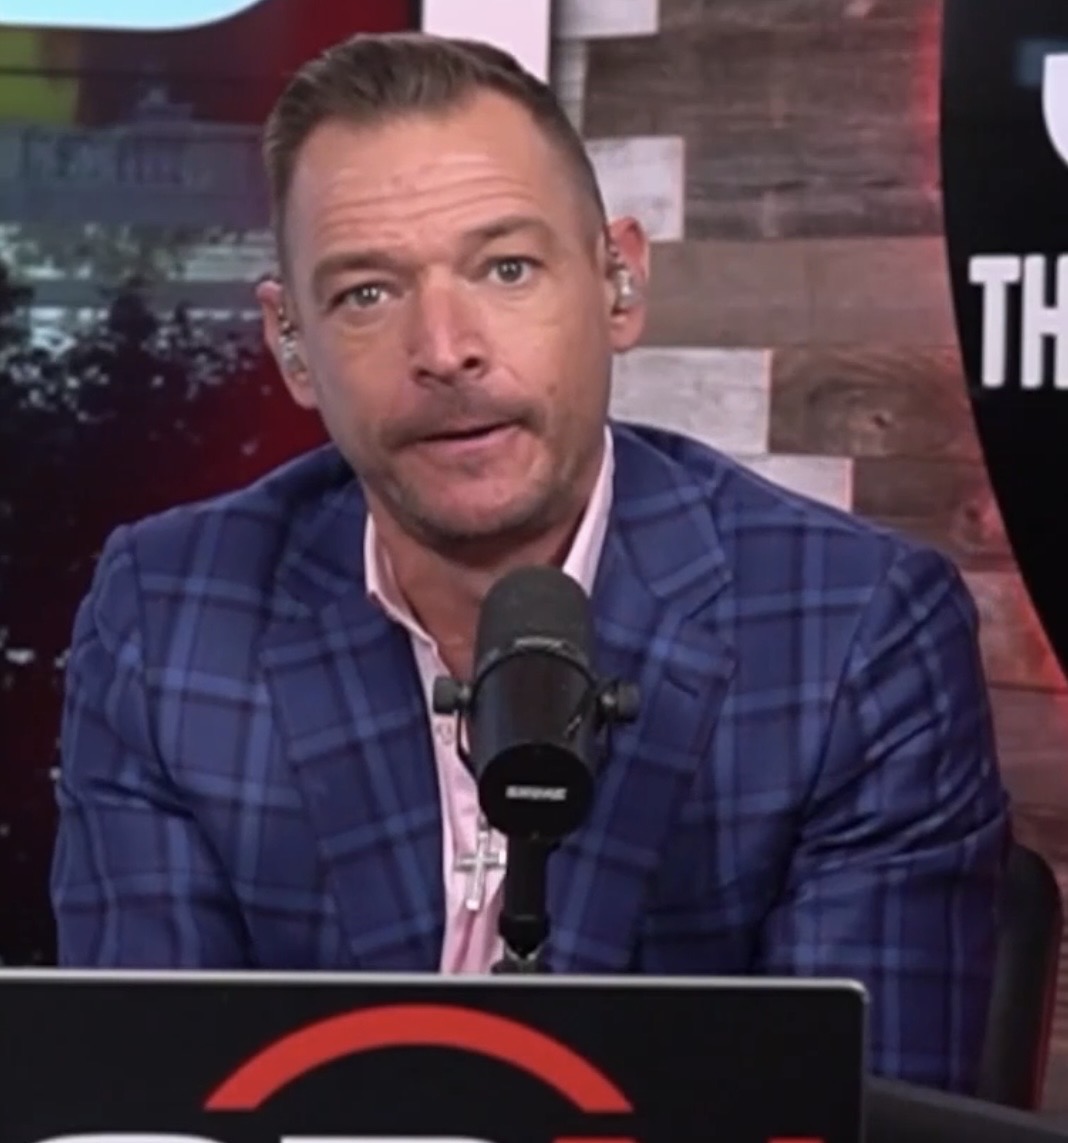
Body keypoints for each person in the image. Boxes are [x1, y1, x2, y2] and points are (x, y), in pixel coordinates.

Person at [51, 31, 1011, 1095]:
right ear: (290, 345)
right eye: (367, 293)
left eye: (506, 268)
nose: (445, 349)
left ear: (619, 283)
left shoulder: (853, 634)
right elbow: (140, 1099)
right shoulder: (171, 616)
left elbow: (853, 1113)